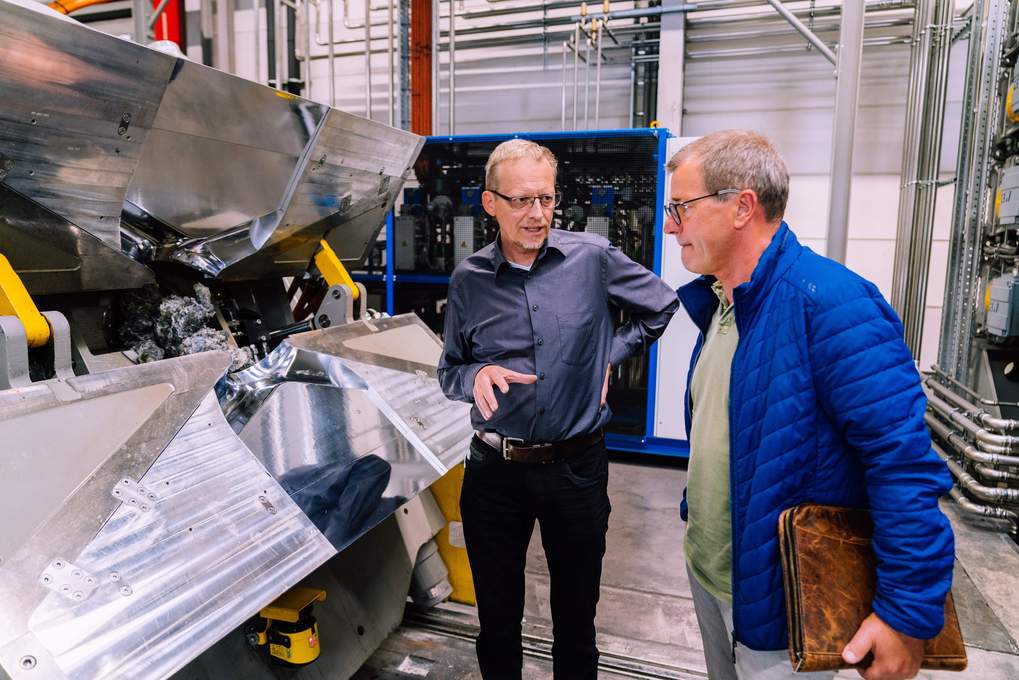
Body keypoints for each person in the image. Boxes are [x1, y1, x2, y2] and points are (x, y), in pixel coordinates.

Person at [667, 130, 955, 680]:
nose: (669, 225)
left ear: (741, 207)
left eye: (681, 207)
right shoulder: (724, 303)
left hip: (782, 607)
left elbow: (903, 464)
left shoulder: (832, 303)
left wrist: (905, 613)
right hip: (712, 574)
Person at [437, 138, 679, 680]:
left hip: (576, 468)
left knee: (577, 619)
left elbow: (662, 305)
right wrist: (475, 374)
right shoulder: (468, 281)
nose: (538, 214)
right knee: (497, 619)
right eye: (522, 200)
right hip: (495, 472)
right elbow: (449, 370)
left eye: (546, 199)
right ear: (490, 203)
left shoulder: (591, 259)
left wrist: (608, 356)